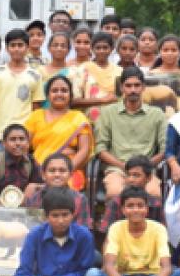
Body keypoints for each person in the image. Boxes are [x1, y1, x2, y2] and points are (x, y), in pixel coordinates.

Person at [2, 187, 111, 276]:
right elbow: (22, 274)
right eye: (55, 215)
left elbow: (83, 273)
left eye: (65, 215)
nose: (61, 220)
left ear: (73, 214)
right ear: (45, 216)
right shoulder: (34, 235)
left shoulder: (84, 235)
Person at [87, 186, 180, 276]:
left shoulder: (158, 229)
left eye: (140, 205)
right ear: (123, 209)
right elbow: (109, 266)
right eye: (130, 206)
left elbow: (166, 268)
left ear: (146, 209)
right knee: (92, 275)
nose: (135, 210)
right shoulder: (116, 228)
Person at [95, 67, 167, 198]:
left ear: (143, 87)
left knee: (153, 193)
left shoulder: (157, 114)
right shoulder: (108, 113)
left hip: (146, 171)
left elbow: (164, 150)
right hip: (118, 169)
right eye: (128, 86)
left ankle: (151, 220)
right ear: (122, 88)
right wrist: (123, 166)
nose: (132, 90)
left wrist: (143, 168)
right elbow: (101, 149)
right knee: (115, 192)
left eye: (137, 85)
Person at [25, 75, 92, 191]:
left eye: (64, 91)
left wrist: (65, 170)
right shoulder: (36, 116)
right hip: (39, 169)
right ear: (47, 95)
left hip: (70, 169)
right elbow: (24, 145)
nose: (59, 94)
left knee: (66, 189)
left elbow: (84, 150)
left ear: (70, 95)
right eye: (54, 91)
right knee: (31, 190)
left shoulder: (78, 118)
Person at [0, 29, 45, 151]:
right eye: (13, 45)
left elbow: (36, 109)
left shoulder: (35, 75)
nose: (16, 49)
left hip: (23, 136)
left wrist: (32, 136)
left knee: (22, 170)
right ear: (7, 48)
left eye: (20, 45)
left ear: (27, 48)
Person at [19, 154, 90, 228]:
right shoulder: (35, 197)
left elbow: (82, 231)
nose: (57, 174)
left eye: (62, 171)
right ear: (43, 175)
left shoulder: (80, 199)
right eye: (52, 171)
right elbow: (29, 226)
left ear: (70, 175)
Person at [98, 156, 165, 231]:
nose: (131, 179)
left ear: (148, 178)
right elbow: (107, 233)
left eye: (136, 175)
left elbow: (162, 233)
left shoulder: (155, 204)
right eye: (128, 175)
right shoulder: (115, 202)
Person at [0, 124, 43, 201]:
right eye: (13, 139)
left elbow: (43, 185)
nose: (18, 143)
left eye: (22, 139)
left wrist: (33, 188)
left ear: (28, 143)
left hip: (21, 207)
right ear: (4, 144)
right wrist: (4, 210)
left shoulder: (30, 162)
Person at [70, 32, 120, 122]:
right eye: (98, 48)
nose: (101, 51)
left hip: (114, 121)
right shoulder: (83, 69)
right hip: (88, 122)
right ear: (92, 49)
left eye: (105, 47)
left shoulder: (119, 71)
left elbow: (121, 99)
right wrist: (102, 100)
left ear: (112, 49)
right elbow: (74, 102)